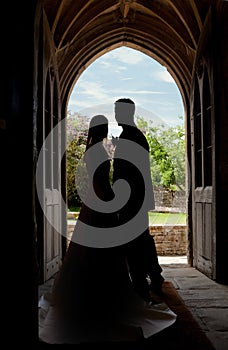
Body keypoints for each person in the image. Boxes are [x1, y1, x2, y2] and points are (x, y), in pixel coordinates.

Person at [39, 114, 176, 344]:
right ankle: (110, 300)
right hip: (100, 208)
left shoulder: (93, 148)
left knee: (90, 256)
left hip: (91, 209)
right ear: (102, 129)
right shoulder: (98, 151)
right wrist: (112, 202)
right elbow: (100, 185)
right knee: (105, 256)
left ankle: (87, 297)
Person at [112, 98, 164, 302]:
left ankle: (141, 284)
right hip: (136, 198)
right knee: (142, 239)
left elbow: (128, 172)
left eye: (118, 111)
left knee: (133, 242)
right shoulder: (132, 135)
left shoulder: (131, 137)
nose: (115, 115)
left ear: (127, 112)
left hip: (131, 199)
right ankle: (155, 275)